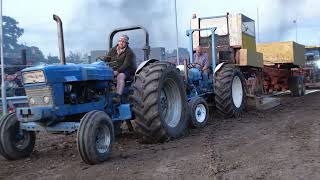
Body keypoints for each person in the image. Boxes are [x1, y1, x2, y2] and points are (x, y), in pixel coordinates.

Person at [100, 35, 137, 103]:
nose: (121, 43)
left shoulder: (129, 52)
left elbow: (126, 64)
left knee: (120, 76)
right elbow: (107, 58)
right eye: (120, 41)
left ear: (126, 43)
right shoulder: (113, 50)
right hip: (114, 69)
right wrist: (102, 62)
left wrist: (118, 71)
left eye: (123, 41)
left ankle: (118, 96)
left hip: (127, 70)